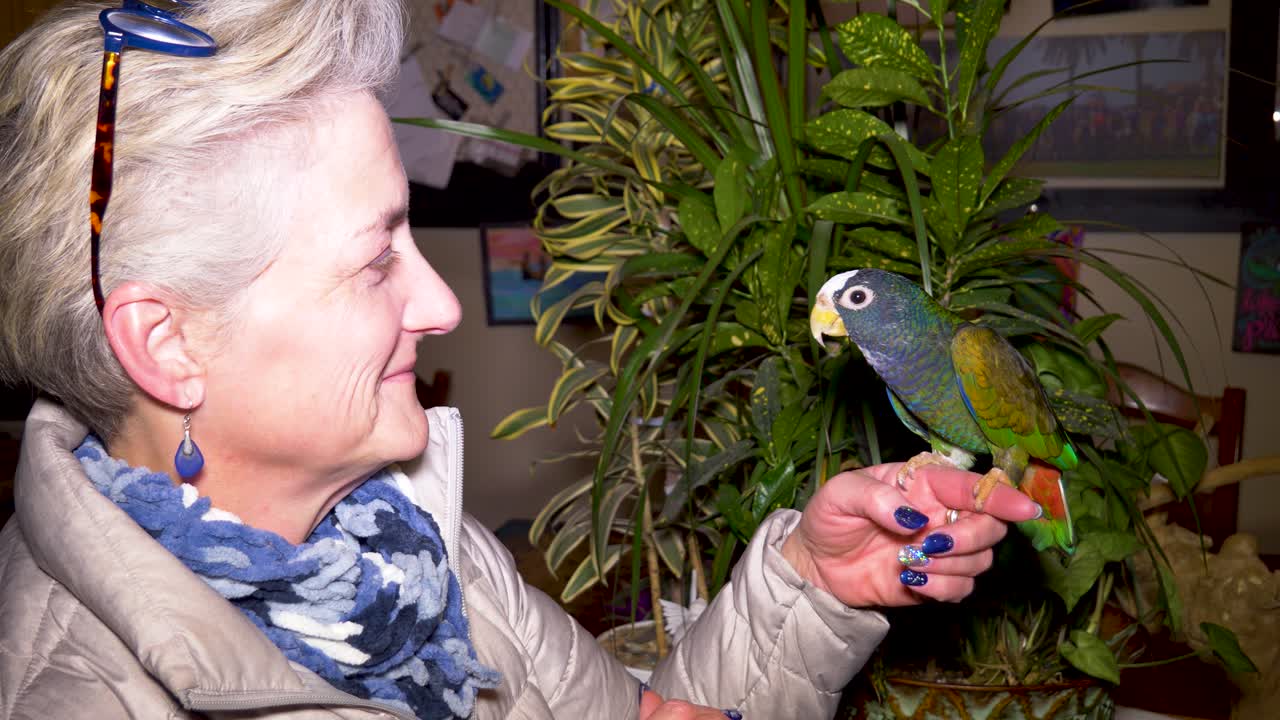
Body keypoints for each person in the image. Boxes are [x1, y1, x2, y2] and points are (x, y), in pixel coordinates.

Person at [0, 2, 1041, 719]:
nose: (440, 302)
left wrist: (813, 585)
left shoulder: (414, 545)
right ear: (167, 344)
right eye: (375, 261)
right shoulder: (88, 693)